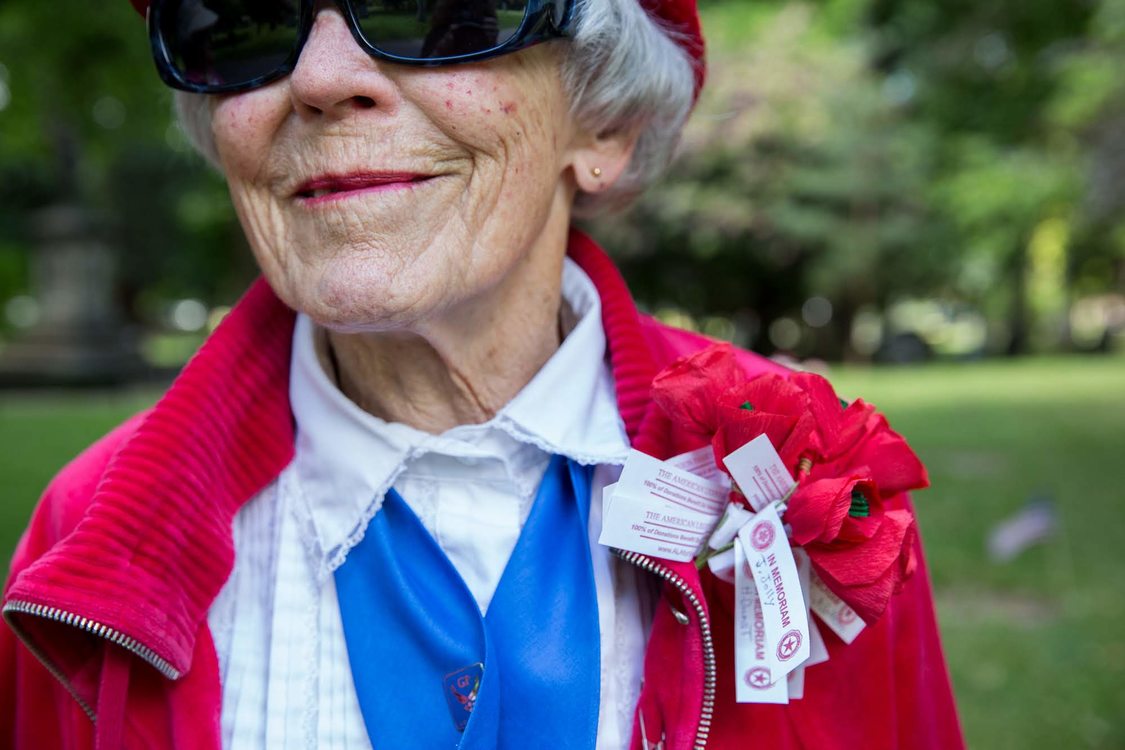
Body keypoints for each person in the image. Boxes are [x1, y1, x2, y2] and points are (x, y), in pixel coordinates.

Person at [0, 0, 965, 748]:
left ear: (605, 123)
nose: (321, 77)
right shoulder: (80, 537)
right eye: (241, 22)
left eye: (435, 9)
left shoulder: (809, 476)